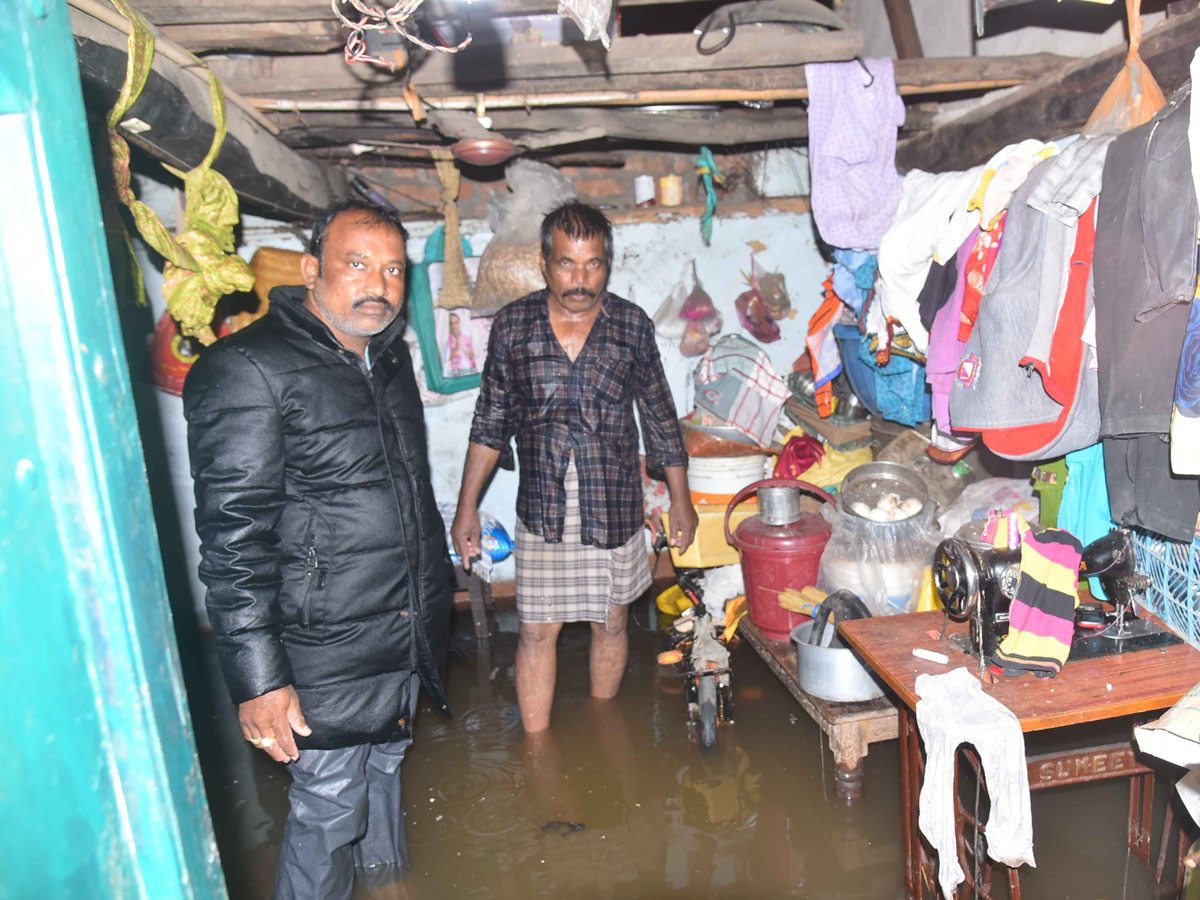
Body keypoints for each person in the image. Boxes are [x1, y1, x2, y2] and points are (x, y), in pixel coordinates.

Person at [183, 197, 453, 900]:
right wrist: (259, 680)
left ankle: (390, 885)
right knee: (331, 802)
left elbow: (407, 495)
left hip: (400, 629)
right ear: (312, 269)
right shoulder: (248, 367)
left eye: (393, 269)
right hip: (319, 644)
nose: (379, 284)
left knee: (386, 764)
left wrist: (432, 609)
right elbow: (232, 538)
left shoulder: (385, 361)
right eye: (356, 264)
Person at [451, 200, 697, 732]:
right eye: (567, 263)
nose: (580, 279)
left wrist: (682, 500)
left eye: (593, 265)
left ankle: (603, 732)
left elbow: (659, 417)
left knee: (611, 622)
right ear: (545, 263)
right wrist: (466, 507)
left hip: (613, 502)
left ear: (608, 264)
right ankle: (538, 750)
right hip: (543, 506)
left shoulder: (631, 325)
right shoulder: (514, 327)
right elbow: (490, 421)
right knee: (537, 631)